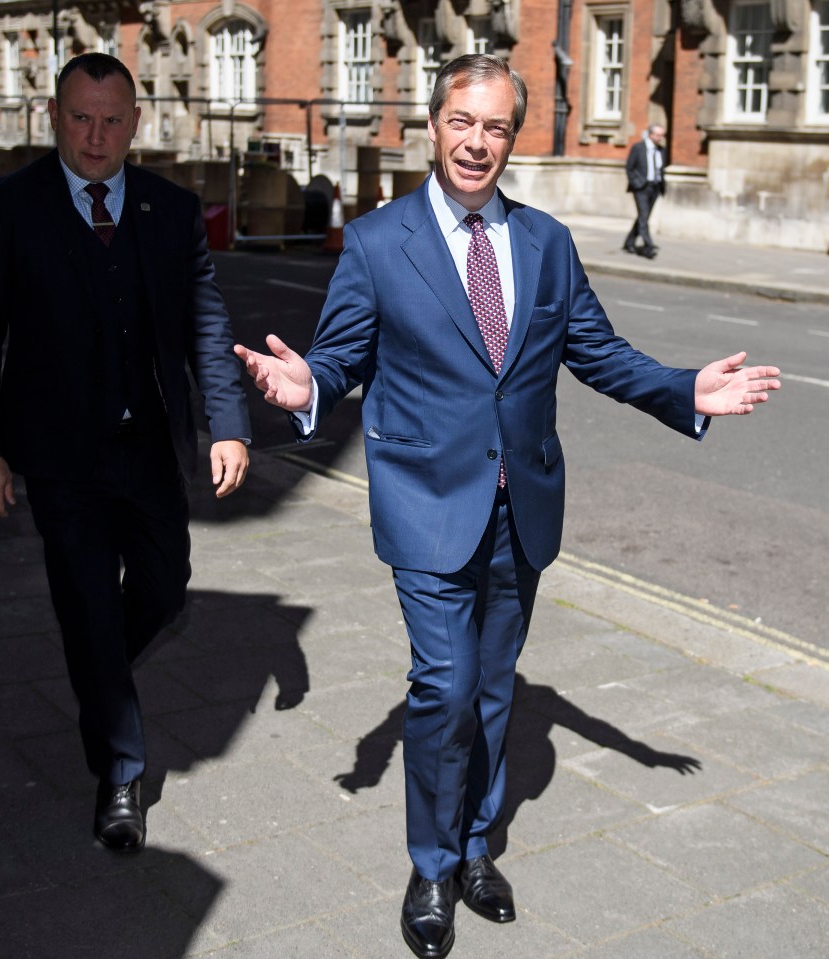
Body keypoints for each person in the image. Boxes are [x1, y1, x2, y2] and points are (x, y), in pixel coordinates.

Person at [235, 55, 780, 959]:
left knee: (492, 691)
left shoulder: (546, 242)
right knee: (442, 686)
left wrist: (685, 389)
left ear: (511, 138)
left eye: (495, 127)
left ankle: (477, 845)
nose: (477, 142)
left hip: (520, 504)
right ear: (433, 123)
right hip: (425, 500)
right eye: (463, 122)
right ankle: (430, 863)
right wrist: (305, 389)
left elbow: (598, 352)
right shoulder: (378, 242)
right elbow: (339, 362)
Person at [0, 53, 251, 853]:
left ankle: (96, 665)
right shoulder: (9, 208)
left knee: (165, 588)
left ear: (135, 123)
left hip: (150, 448)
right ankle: (120, 771)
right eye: (80, 118)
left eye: (111, 120)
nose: (95, 136)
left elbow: (206, 326)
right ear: (55, 116)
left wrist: (227, 423)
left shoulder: (170, 208)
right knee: (87, 599)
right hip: (58, 459)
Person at [623, 123, 667, 259]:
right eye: (658, 135)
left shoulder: (661, 150)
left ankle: (629, 242)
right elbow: (629, 167)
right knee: (643, 217)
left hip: (655, 187)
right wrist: (636, 183)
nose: (661, 138)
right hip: (641, 188)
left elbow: (661, 169)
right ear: (651, 134)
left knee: (644, 217)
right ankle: (648, 246)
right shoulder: (638, 148)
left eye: (662, 135)